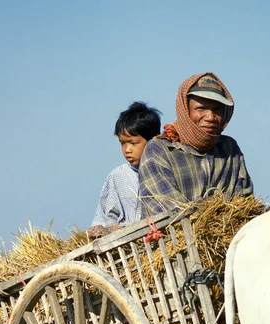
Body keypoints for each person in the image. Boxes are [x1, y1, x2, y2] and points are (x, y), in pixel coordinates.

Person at [138, 72, 253, 213]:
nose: (211, 117)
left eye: (217, 110)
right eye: (201, 109)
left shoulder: (229, 149)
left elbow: (244, 201)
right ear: (185, 110)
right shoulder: (159, 150)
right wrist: (211, 210)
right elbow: (169, 211)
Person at [88, 101, 161, 239]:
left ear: (153, 139)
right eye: (122, 143)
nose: (127, 150)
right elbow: (103, 220)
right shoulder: (118, 177)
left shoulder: (164, 169)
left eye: (133, 143)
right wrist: (110, 229)